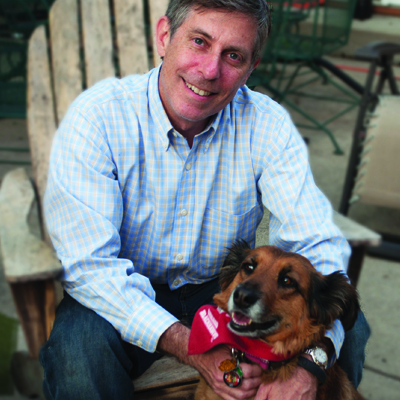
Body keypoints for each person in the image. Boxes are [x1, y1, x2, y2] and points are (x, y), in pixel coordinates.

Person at [40, 0, 370, 399]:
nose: (210, 71)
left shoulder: (266, 125)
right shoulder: (98, 118)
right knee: (79, 349)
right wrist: (195, 347)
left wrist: (312, 364)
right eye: (199, 41)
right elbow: (90, 266)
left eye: (233, 56)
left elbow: (315, 244)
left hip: (225, 288)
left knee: (347, 331)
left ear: (251, 68)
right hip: (125, 289)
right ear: (165, 37)